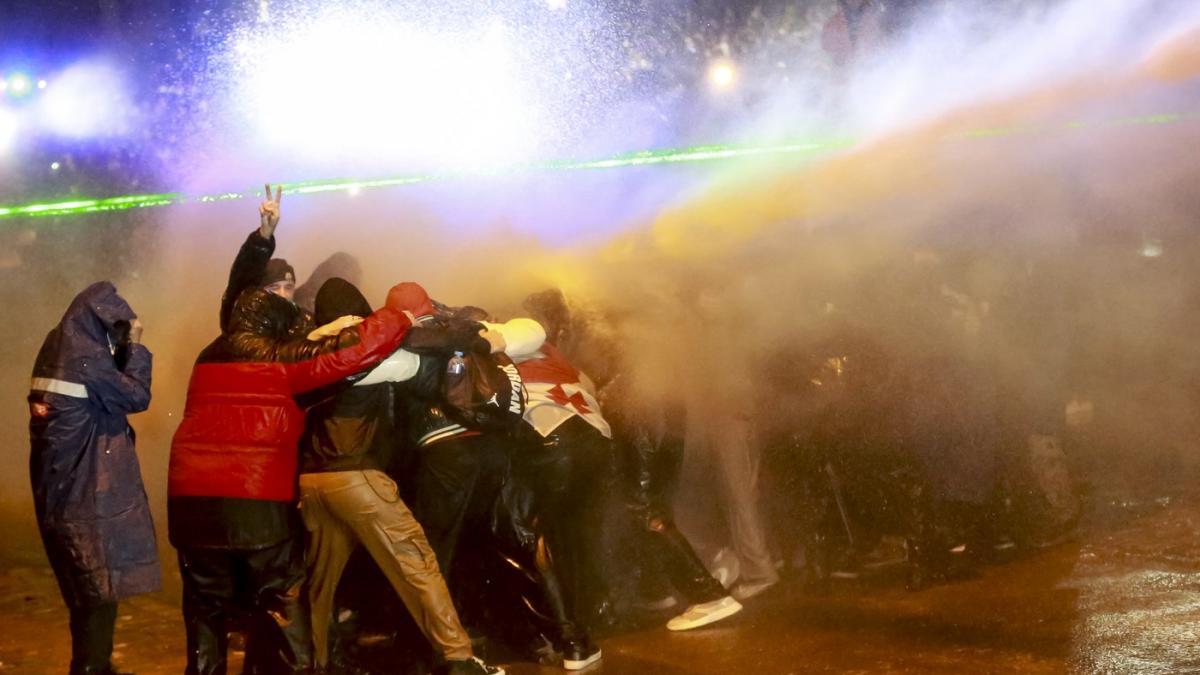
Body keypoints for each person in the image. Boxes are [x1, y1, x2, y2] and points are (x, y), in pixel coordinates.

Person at [167, 284, 414, 675]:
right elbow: (355, 350)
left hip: (190, 500)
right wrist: (402, 315)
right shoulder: (278, 358)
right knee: (282, 601)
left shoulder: (206, 356)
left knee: (204, 608)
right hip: (255, 498)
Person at [296, 278, 504, 675]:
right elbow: (418, 364)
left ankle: (315, 663)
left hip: (312, 482)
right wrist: (468, 340)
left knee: (319, 586)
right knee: (417, 562)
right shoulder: (358, 343)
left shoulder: (303, 350)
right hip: (356, 475)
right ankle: (459, 658)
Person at [29, 282, 159, 675]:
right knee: (98, 595)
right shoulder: (86, 356)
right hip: (86, 496)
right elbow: (134, 396)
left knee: (85, 594)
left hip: (60, 491)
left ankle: (93, 665)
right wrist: (135, 346)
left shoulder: (57, 347)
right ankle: (92, 668)